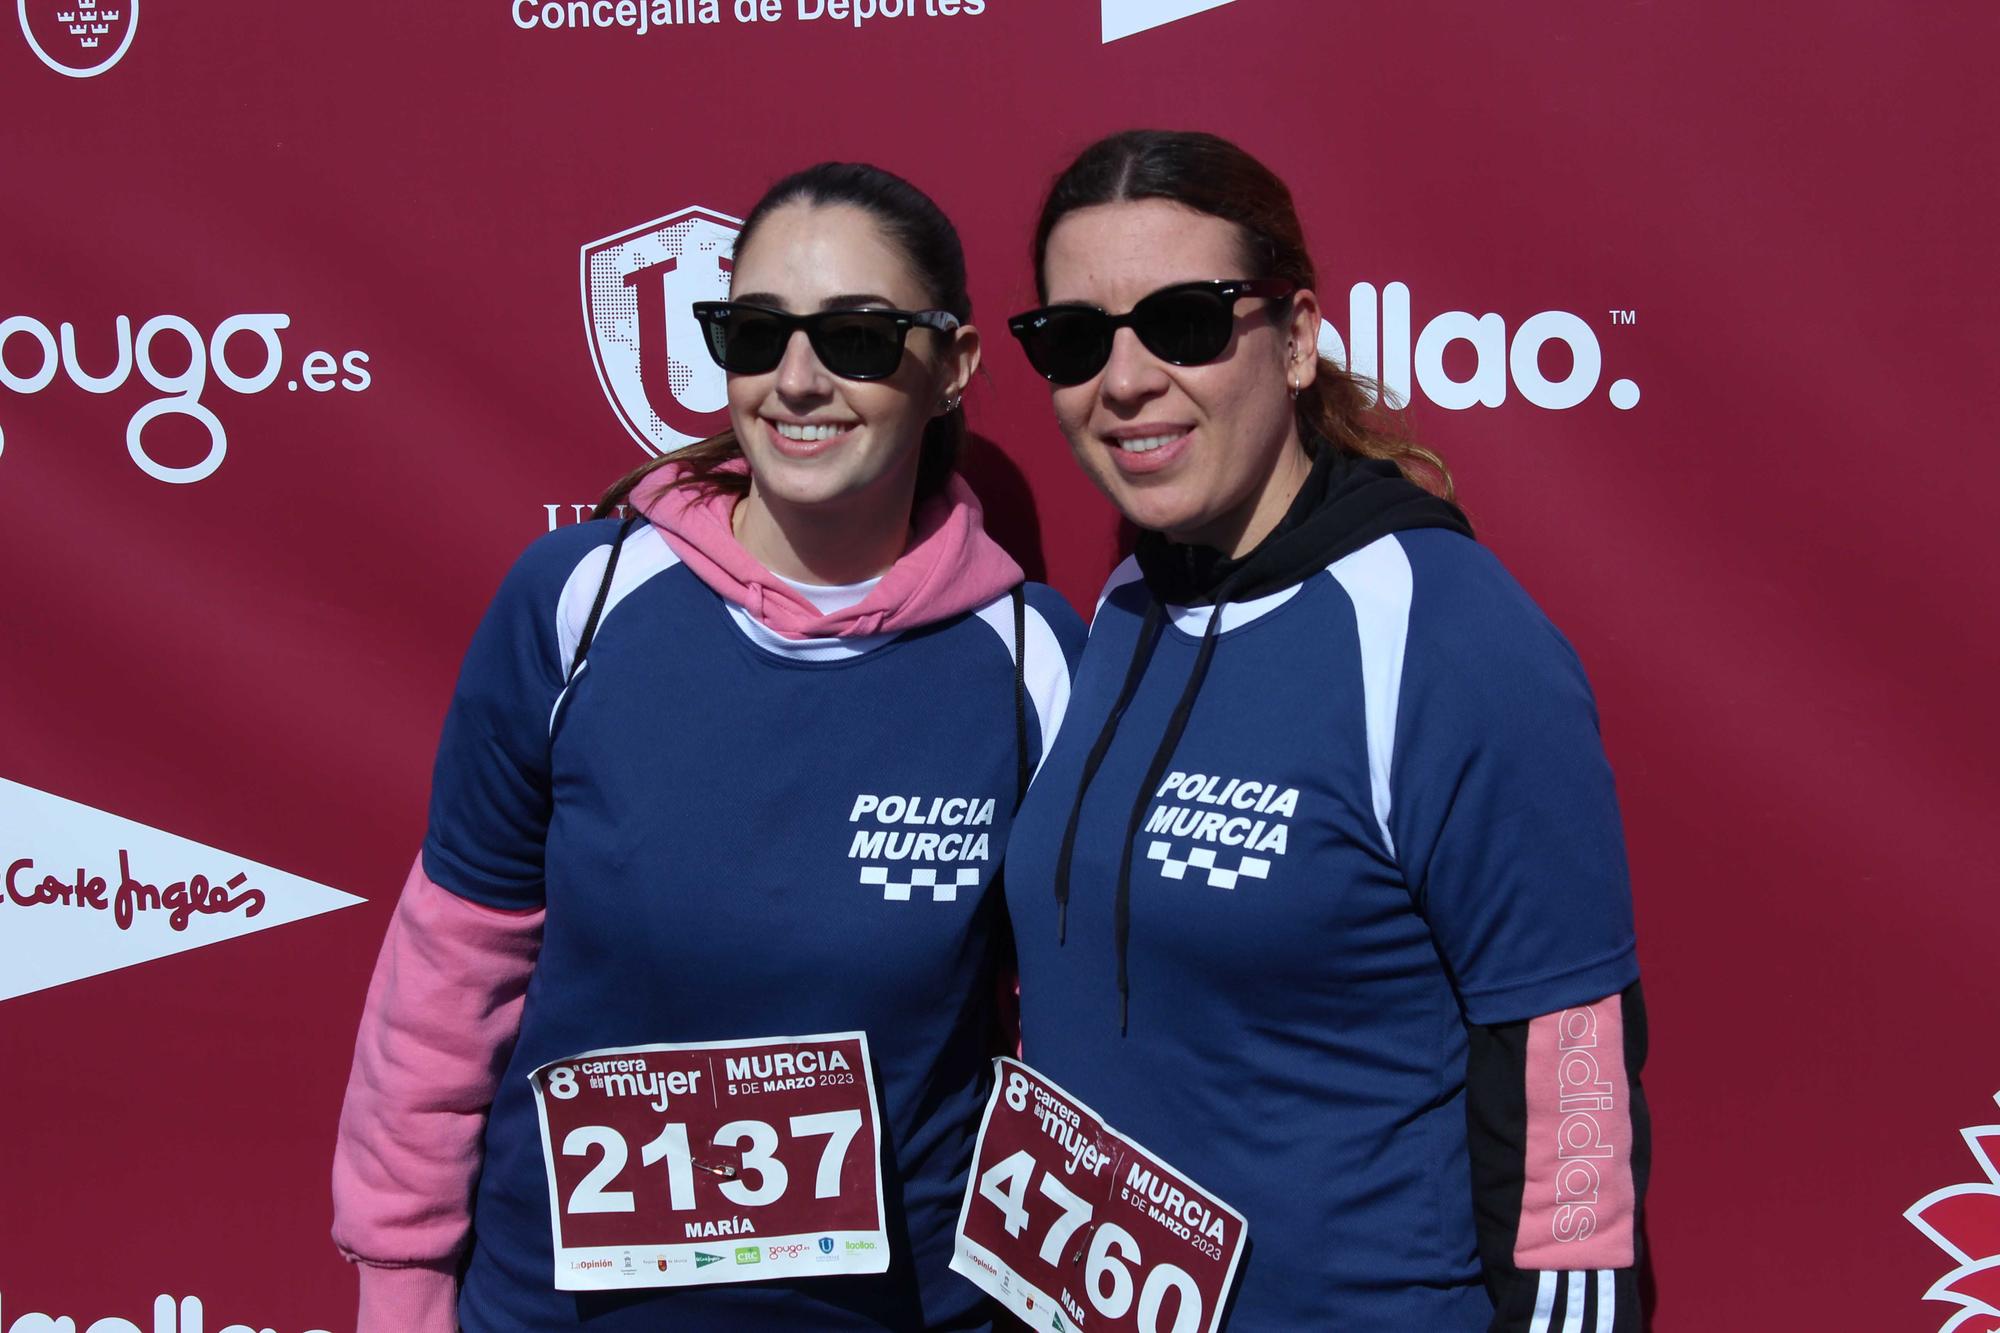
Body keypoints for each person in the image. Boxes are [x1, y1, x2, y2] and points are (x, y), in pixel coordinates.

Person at [332, 161, 1084, 1333]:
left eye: (856, 338)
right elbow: (447, 972)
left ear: (952, 368)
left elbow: (1072, 1046)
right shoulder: (575, 603)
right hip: (563, 1311)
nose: (796, 380)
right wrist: (400, 1276)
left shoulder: (1035, 661)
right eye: (754, 333)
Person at [1001, 129, 1650, 1331]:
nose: (1125, 379)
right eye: (1075, 340)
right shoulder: (1128, 601)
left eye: (1185, 320)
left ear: (1296, 338)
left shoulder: (1444, 634)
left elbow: (1571, 1090)